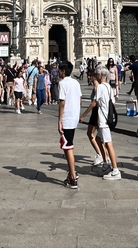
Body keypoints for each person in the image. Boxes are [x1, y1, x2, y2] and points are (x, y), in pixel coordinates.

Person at [94, 66, 121, 180]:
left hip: (103, 120)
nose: (95, 76)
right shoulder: (109, 87)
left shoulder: (100, 87)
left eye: (96, 74)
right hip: (106, 119)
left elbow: (95, 102)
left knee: (108, 144)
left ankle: (115, 170)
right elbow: (113, 103)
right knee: (98, 139)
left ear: (101, 75)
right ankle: (106, 164)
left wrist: (84, 115)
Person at [58, 61, 82, 189]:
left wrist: (59, 120)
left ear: (62, 71)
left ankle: (73, 177)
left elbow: (62, 103)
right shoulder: (76, 83)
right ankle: (71, 173)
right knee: (67, 146)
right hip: (74, 118)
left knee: (68, 147)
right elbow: (79, 99)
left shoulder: (62, 84)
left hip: (67, 119)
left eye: (59, 70)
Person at [79, 70, 109, 169]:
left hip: (96, 113)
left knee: (92, 135)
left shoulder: (97, 88)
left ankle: (101, 155)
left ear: (94, 77)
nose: (88, 78)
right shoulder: (97, 87)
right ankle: (103, 155)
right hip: (97, 113)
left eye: (89, 76)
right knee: (97, 136)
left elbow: (94, 103)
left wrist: (83, 115)